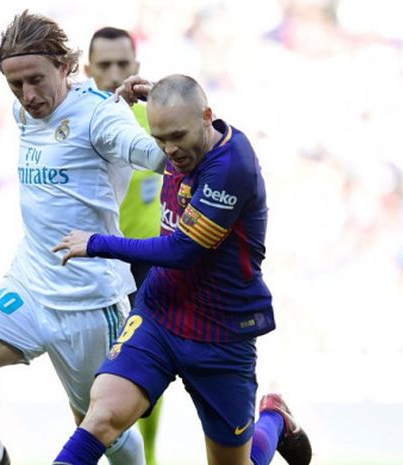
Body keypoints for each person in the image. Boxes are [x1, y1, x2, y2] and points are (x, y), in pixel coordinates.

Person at [51, 74, 312, 465]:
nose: (169, 150)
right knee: (101, 417)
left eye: (177, 136)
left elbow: (182, 250)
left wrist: (96, 243)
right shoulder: (183, 129)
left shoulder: (231, 166)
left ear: (207, 117)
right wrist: (141, 98)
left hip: (221, 333)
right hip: (160, 315)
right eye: (160, 139)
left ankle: (273, 418)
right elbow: (174, 109)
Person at [0, 10, 165, 465]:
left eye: (36, 80)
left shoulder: (101, 118)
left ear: (65, 66)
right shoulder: (26, 111)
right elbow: (48, 105)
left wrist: (164, 109)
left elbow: (154, 154)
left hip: (88, 300)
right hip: (30, 282)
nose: (27, 95)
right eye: (15, 84)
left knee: (101, 424)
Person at [84, 26, 164, 465]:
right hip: (99, 264)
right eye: (105, 66)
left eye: (123, 64)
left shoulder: (158, 121)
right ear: (86, 71)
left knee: (148, 379)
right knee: (94, 382)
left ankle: (145, 459)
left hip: (150, 267)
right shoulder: (77, 124)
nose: (115, 73)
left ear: (136, 68)